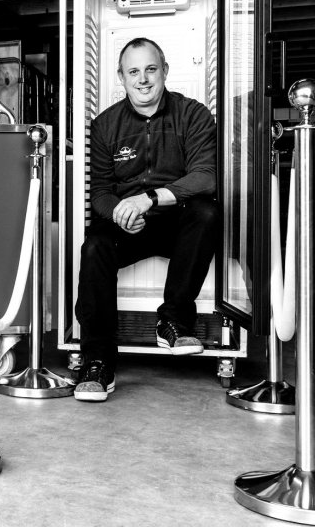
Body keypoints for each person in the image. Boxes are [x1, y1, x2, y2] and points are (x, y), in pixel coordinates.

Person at [73, 37, 220, 402]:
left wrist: (149, 198)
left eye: (151, 69)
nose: (143, 79)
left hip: (175, 222)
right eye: (134, 71)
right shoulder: (105, 125)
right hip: (128, 226)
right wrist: (121, 214)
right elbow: (100, 192)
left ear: (164, 71)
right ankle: (97, 361)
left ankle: (174, 322)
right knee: (94, 247)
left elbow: (205, 177)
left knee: (206, 212)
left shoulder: (193, 114)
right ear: (121, 77)